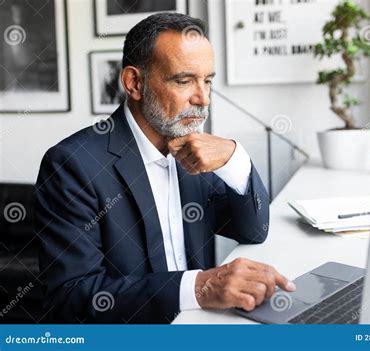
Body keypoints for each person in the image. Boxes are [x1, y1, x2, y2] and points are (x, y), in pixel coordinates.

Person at [35, 13, 295, 323]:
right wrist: (199, 287)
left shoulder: (197, 149)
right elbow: (72, 296)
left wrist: (234, 158)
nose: (203, 99)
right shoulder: (71, 164)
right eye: (184, 81)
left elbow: (252, 231)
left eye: (208, 80)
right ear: (134, 83)